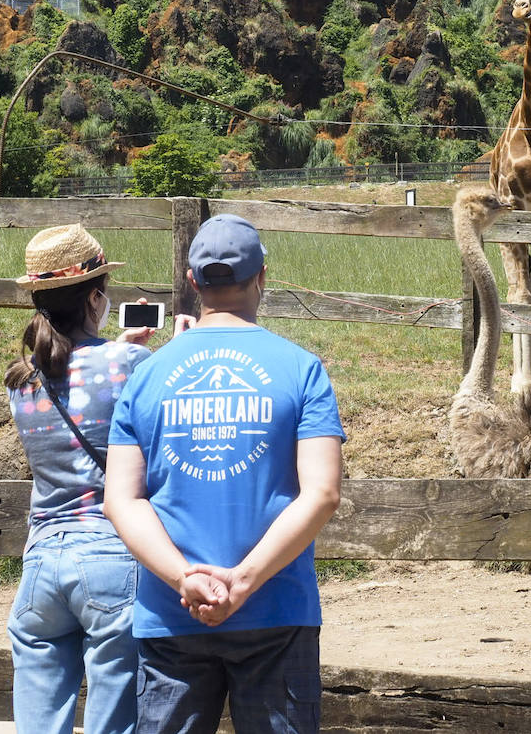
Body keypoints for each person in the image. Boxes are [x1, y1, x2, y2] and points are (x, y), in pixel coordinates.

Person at [105, 213, 346, 734]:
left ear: (192, 283)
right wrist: (244, 579)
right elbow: (322, 492)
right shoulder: (302, 368)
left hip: (173, 613)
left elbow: (121, 500)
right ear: (262, 277)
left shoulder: (146, 376)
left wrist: (185, 577)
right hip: (276, 608)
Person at [5, 223, 157, 734]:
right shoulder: (133, 363)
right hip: (112, 554)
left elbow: (71, 372)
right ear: (96, 296)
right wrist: (140, 349)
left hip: (42, 560)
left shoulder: (21, 382)